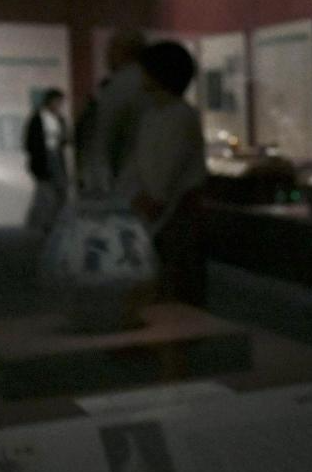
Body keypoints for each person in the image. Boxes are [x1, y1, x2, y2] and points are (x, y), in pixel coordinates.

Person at [127, 41, 207, 304]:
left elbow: (166, 173)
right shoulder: (154, 115)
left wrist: (152, 201)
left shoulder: (180, 115)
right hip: (156, 214)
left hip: (174, 217)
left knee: (176, 292)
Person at [83, 32, 147, 197]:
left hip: (125, 182)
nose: (107, 57)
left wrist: (98, 185)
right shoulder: (151, 82)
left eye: (111, 50)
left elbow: (104, 137)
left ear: (123, 51)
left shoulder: (120, 85)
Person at [24, 88, 70, 234]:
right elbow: (30, 142)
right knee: (47, 193)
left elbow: (63, 140)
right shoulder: (38, 119)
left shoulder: (59, 119)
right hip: (44, 159)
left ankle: (49, 222)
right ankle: (45, 223)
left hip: (55, 157)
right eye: (57, 101)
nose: (59, 105)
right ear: (50, 101)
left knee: (58, 191)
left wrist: (62, 140)